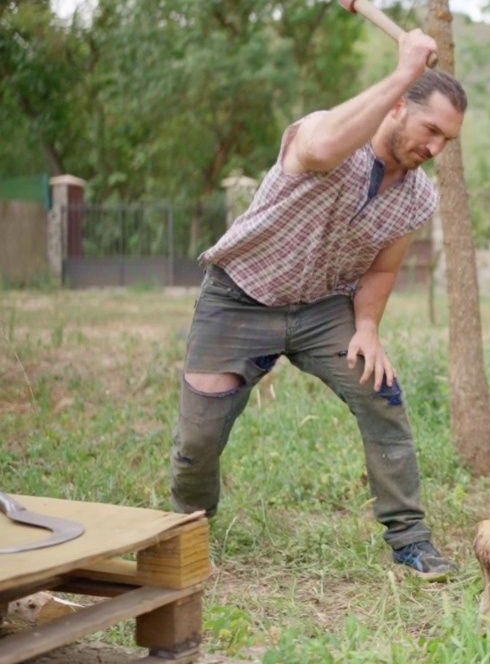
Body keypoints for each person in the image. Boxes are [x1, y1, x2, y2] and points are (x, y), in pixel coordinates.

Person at [170, 30, 462, 580]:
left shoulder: (419, 193)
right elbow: (322, 149)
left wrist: (368, 328)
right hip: (240, 297)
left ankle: (411, 541)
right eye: (431, 130)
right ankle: (188, 529)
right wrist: (403, 70)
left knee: (383, 396)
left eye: (448, 139)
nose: (436, 149)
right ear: (399, 105)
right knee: (199, 436)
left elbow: (382, 267)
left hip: (325, 308)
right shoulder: (326, 133)